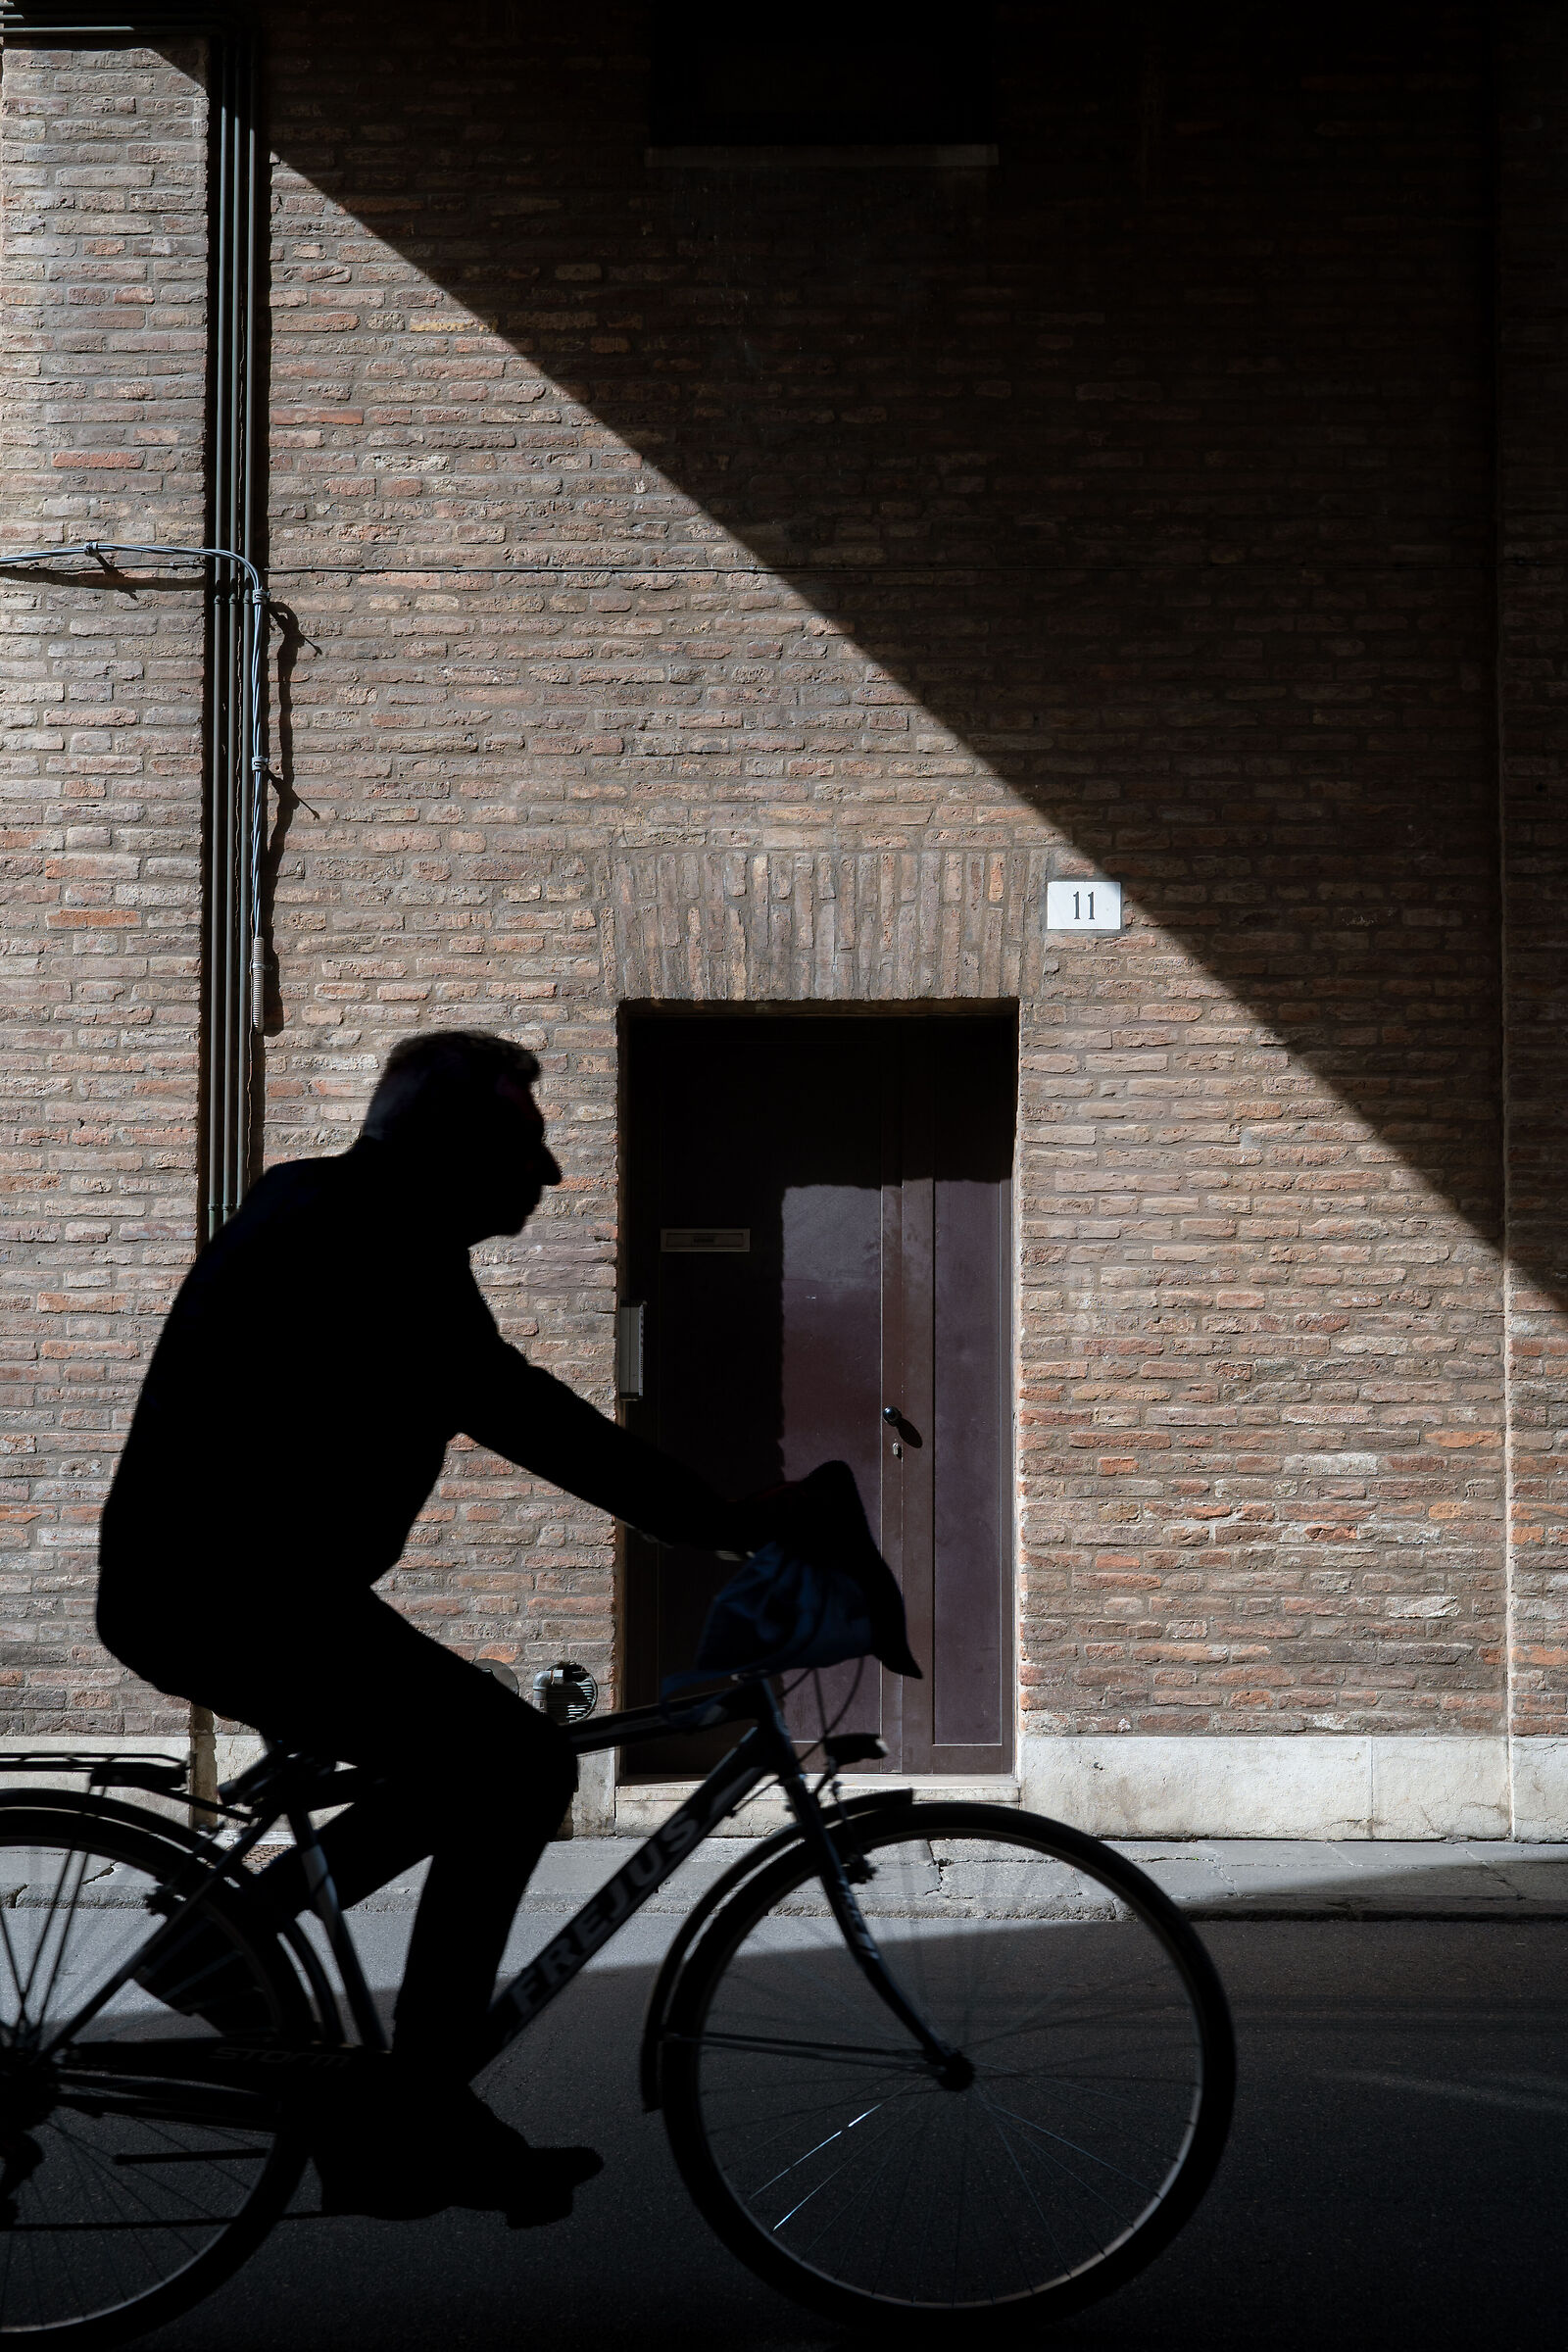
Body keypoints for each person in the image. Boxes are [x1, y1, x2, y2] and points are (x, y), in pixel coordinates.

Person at [97, 1030, 759, 2226]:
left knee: (468, 1763)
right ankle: (420, 2105)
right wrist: (726, 1523)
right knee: (514, 1764)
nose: (547, 1176)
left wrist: (712, 1520)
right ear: (448, 1145)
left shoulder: (358, 1218)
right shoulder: (363, 1234)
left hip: (247, 1589)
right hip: (222, 1595)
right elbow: (523, 1413)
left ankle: (263, 1999)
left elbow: (506, 1397)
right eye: (524, 1145)